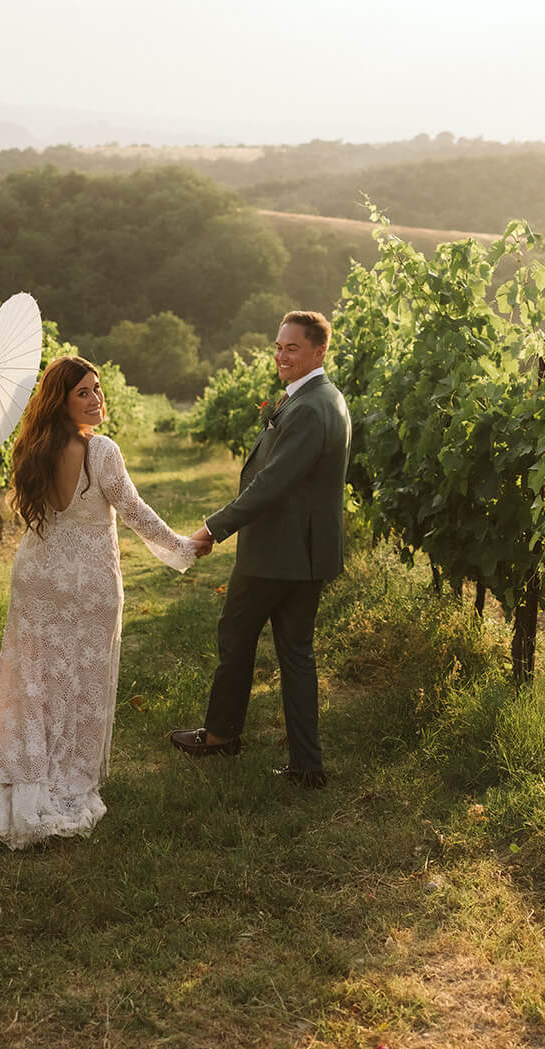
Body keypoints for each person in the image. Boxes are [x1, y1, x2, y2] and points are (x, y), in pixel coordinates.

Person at [0, 355, 201, 848]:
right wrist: (181, 546)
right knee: (81, 683)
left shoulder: (31, 447)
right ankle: (63, 779)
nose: (97, 399)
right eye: (84, 393)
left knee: (35, 682)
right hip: (90, 583)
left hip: (36, 577)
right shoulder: (102, 452)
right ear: (61, 401)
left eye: (97, 389)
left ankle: (24, 774)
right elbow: (134, 512)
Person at [170, 311, 351, 788]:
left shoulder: (311, 407)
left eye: (292, 348)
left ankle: (222, 737)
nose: (281, 356)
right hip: (303, 554)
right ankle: (307, 767)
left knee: (236, 636)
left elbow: (272, 485)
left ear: (319, 352)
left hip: (278, 553)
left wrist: (213, 527)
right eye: (278, 346)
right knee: (295, 652)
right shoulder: (320, 399)